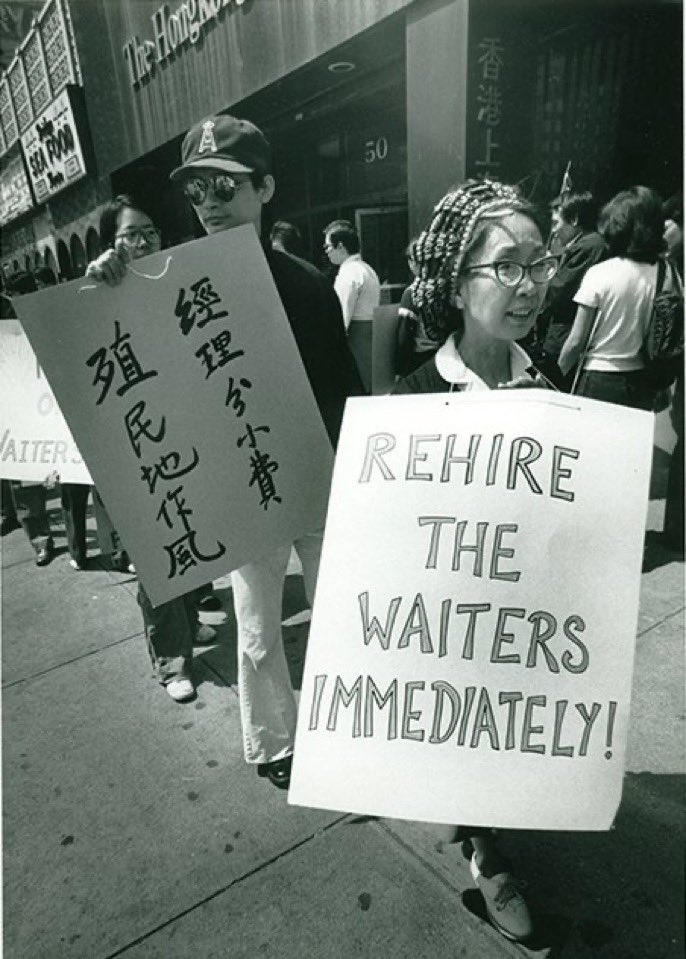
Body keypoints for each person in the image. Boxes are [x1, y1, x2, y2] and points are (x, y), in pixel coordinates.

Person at [98, 116, 363, 788]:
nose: (210, 202)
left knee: (344, 614)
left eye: (225, 185)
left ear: (265, 187)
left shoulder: (307, 285)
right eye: (196, 190)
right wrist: (107, 286)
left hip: (316, 479)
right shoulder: (161, 282)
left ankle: (352, 732)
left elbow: (343, 390)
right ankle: (274, 742)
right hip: (241, 488)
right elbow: (122, 361)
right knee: (254, 629)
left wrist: (358, 476)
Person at [394, 177, 564, 944]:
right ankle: (485, 849)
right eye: (509, 265)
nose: (530, 284)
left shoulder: (551, 383)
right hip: (452, 622)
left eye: (541, 262)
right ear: (458, 284)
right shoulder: (414, 398)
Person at [86, 194, 219, 702]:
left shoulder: (170, 279)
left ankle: (186, 624)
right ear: (108, 244)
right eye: (129, 235)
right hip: (133, 447)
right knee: (156, 556)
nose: (141, 243)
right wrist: (96, 282)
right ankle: (172, 658)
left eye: (149, 233)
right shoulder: (97, 287)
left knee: (190, 539)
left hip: (182, 434)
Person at [558, 185, 666, 410]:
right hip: (642, 380)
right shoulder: (667, 273)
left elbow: (576, 341)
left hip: (598, 379)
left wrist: (555, 378)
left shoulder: (601, 273)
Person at [2, 270, 55, 565]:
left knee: (60, 472)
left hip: (40, 398)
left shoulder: (16, 308)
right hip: (11, 409)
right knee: (25, 482)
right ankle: (41, 541)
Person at [539, 191, 608, 363]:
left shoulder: (588, 247)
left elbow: (559, 291)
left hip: (566, 337)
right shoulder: (582, 245)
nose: (553, 231)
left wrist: (543, 273)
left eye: (556, 223)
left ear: (575, 219)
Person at [323, 219, 380, 331]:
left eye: (327, 246)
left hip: (353, 343)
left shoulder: (348, 273)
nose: (326, 251)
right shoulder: (367, 269)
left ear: (340, 246)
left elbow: (341, 319)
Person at [395, 238, 438, 376]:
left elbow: (404, 336)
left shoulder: (412, 293)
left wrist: (400, 370)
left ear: (413, 262)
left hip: (420, 361)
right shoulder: (445, 290)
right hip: (446, 356)